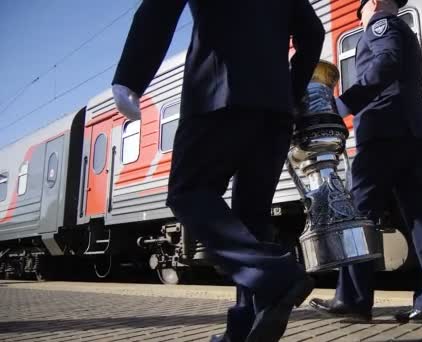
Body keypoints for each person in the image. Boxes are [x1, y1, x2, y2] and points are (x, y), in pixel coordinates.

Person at [111, 1, 325, 341]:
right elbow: (312, 34)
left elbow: (159, 8)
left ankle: (275, 273)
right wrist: (290, 91)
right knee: (251, 220)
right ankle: (244, 328)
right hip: (274, 113)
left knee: (188, 191)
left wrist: (130, 79)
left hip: (218, 95)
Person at [308, 0, 422, 327]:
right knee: (421, 221)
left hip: (383, 135)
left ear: (372, 3)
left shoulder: (381, 24)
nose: (359, 18)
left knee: (357, 217)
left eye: (358, 11)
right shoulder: (402, 30)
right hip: (411, 134)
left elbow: (386, 63)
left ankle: (352, 300)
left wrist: (343, 104)